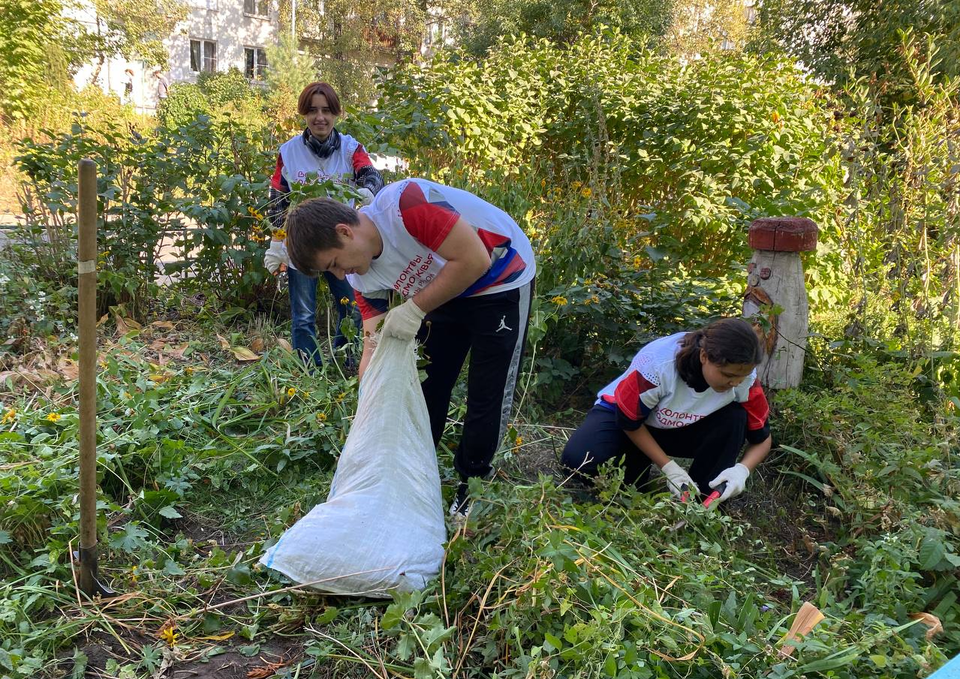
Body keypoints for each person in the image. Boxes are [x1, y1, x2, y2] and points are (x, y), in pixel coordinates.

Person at [285, 178, 536, 515]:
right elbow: (373, 343)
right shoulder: (362, 277)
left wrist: (415, 308)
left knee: (487, 389)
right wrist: (369, 399)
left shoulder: (405, 206)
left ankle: (475, 485)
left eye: (334, 264)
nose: (341, 276)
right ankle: (417, 475)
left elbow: (475, 259)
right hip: (445, 285)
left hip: (500, 276)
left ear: (345, 232)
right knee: (426, 385)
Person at [561, 318, 771, 504]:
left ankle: (706, 499)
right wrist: (668, 467)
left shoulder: (746, 379)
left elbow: (762, 438)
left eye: (740, 377)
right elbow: (629, 421)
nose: (734, 383)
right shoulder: (658, 364)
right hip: (625, 419)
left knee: (735, 418)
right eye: (727, 375)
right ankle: (638, 466)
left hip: (679, 429)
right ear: (705, 356)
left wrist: (742, 470)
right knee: (578, 461)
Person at [264, 81, 384, 368]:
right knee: (303, 313)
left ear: (336, 114)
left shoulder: (351, 149)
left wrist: (366, 192)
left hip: (341, 245)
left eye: (327, 110)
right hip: (302, 243)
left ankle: (348, 362)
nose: (320, 117)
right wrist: (278, 242)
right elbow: (278, 198)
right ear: (304, 114)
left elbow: (372, 176)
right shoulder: (289, 152)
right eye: (313, 110)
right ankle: (309, 369)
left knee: (350, 308)